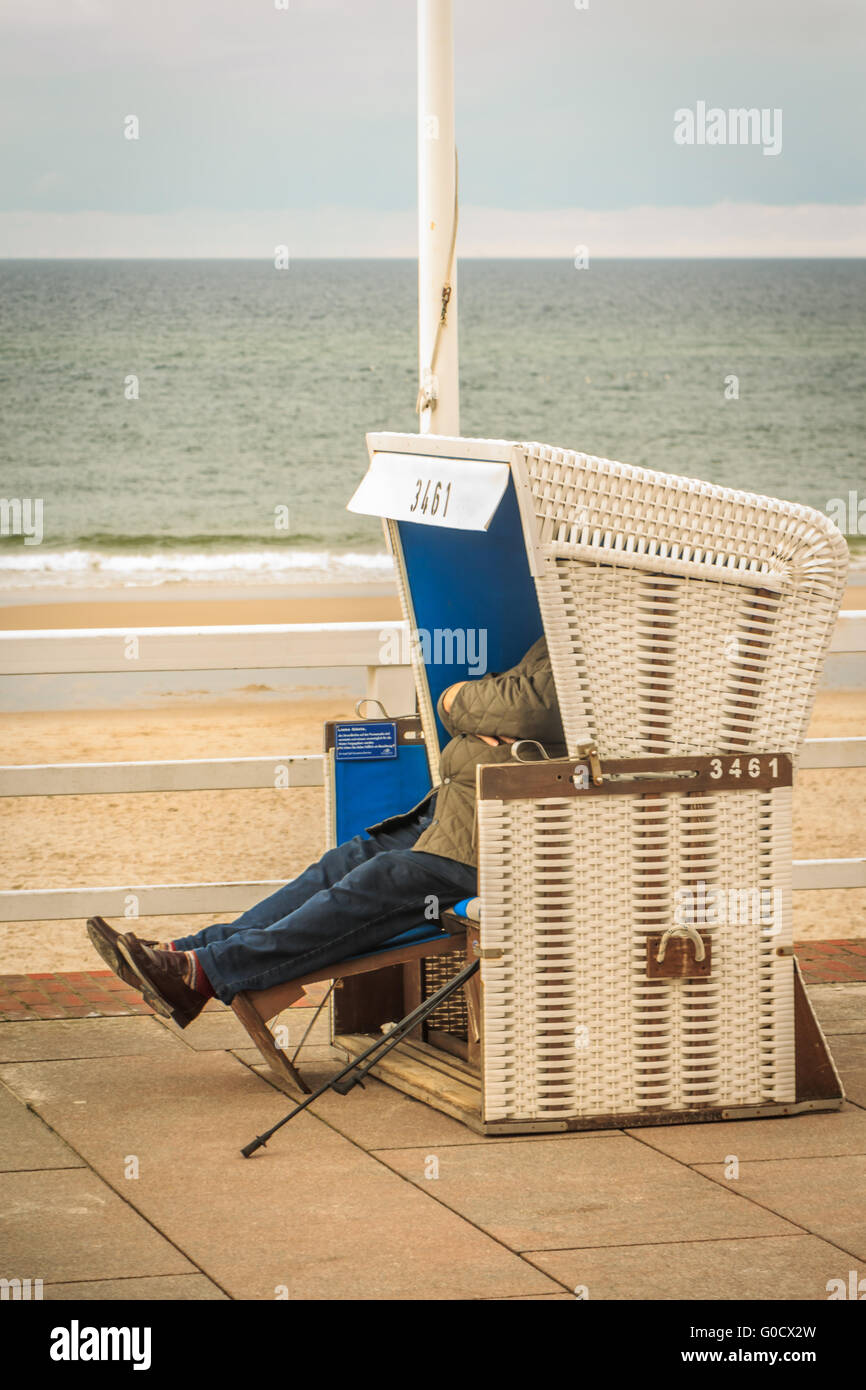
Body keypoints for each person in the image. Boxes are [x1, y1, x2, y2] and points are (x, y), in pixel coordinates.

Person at [87, 635, 565, 1028]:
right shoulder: (553, 634)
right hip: (457, 814)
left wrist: (461, 700)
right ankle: (190, 952)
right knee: (340, 863)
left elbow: (532, 708)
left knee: (383, 879)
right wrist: (471, 703)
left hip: (506, 838)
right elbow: (508, 700)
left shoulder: (605, 646)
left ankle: (205, 973)